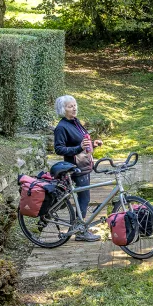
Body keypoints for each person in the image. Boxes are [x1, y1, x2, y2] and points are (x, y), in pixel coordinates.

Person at [53, 95, 103, 242]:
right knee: (83, 197)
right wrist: (77, 148)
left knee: (82, 197)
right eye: (70, 106)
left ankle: (80, 227)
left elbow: (82, 142)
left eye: (75, 105)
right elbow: (59, 149)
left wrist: (93, 144)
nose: (74, 108)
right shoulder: (61, 127)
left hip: (84, 164)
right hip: (75, 167)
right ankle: (80, 231)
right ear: (63, 110)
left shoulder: (75, 122)